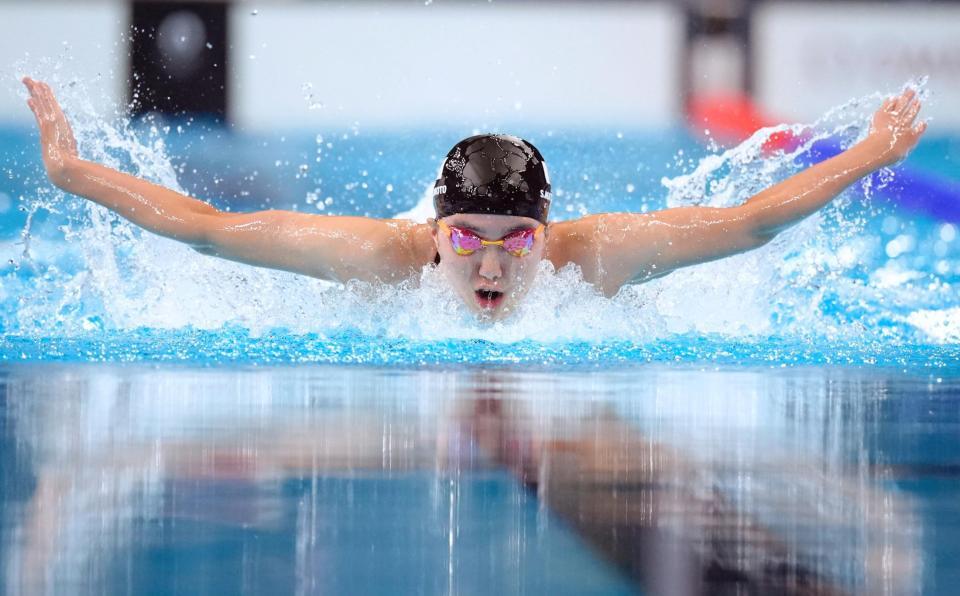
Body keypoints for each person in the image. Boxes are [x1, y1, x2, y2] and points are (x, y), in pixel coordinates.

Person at [22, 77, 927, 320]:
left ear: (547, 234)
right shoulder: (386, 256)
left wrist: (872, 154)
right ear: (436, 232)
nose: (493, 263)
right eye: (470, 240)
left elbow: (747, 223)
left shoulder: (591, 255)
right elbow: (214, 232)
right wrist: (74, 173)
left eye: (515, 243)